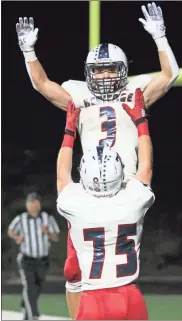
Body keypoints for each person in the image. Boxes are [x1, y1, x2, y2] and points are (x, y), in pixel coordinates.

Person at [15, 2, 179, 317]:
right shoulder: (77, 93)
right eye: (98, 70)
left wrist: (160, 37)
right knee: (74, 271)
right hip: (90, 188)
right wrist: (28, 52)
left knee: (114, 267)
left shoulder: (137, 89)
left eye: (110, 69)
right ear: (89, 73)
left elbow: (170, 75)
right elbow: (42, 85)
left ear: (123, 70)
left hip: (127, 186)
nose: (104, 75)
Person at [56, 88, 154, 320]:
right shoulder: (132, 201)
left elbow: (62, 174)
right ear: (119, 173)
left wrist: (70, 130)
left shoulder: (76, 204)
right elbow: (146, 166)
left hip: (93, 299)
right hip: (130, 295)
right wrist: (141, 121)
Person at [8, 192, 60, 320]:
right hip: (26, 259)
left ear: (38, 204)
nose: (32, 206)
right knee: (30, 286)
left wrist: (47, 232)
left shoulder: (47, 218)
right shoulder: (21, 218)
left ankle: (25, 306)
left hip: (42, 260)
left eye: (34, 203)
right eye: (30, 203)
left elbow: (56, 237)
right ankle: (33, 315)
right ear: (27, 205)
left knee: (37, 286)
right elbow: (10, 231)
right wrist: (17, 237)